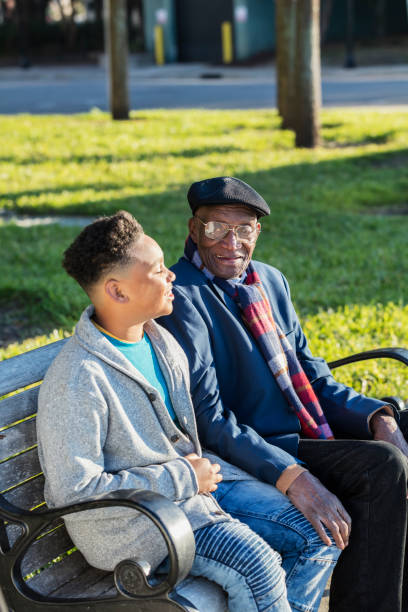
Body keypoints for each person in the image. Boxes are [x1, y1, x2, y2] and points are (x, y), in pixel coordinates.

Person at [36, 211, 340, 612]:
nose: (172, 276)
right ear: (118, 292)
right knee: (257, 564)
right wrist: (184, 476)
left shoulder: (159, 341)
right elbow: (75, 490)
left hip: (188, 498)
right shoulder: (78, 378)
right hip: (136, 528)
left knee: (317, 534)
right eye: (159, 271)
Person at [158, 176, 408, 612]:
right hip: (260, 448)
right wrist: (292, 476)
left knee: (401, 430)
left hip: (305, 428)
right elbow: (210, 419)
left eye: (245, 229)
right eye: (217, 228)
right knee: (381, 465)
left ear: (258, 232)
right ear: (193, 229)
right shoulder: (181, 296)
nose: (231, 242)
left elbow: (313, 378)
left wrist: (377, 418)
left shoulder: (268, 281)